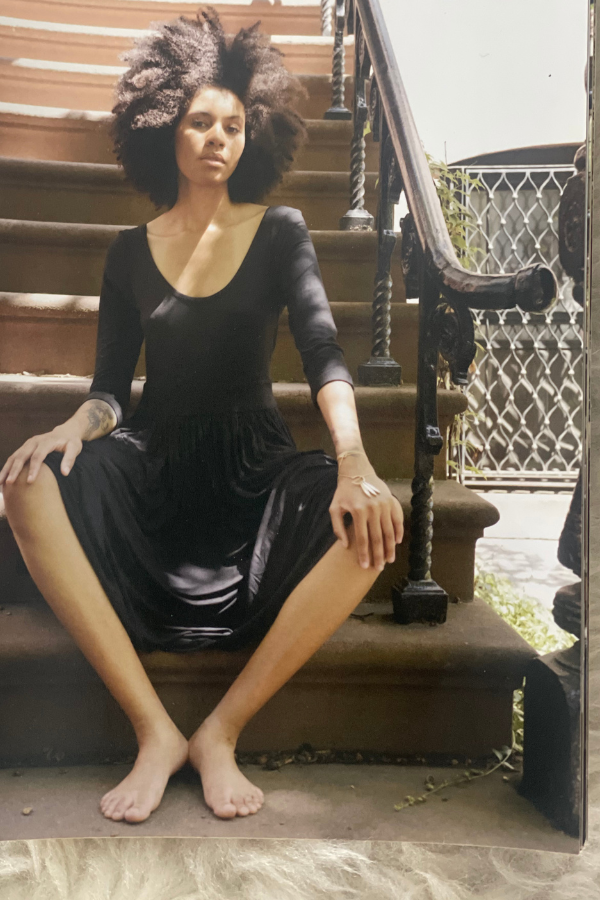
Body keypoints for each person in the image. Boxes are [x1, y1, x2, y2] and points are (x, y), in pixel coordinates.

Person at [1, 7, 404, 824]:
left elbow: (324, 353)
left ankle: (220, 731)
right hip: (153, 468)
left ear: (251, 136)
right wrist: (73, 428)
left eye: (233, 125)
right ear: (165, 128)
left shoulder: (282, 231)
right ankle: (155, 730)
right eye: (200, 122)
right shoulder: (128, 251)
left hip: (255, 473)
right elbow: (110, 390)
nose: (218, 138)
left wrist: (354, 461)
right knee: (25, 482)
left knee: (373, 524)